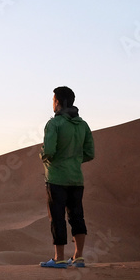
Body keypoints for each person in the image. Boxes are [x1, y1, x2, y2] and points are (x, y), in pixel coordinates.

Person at [39, 86, 94, 268]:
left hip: (56, 178)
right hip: (76, 179)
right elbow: (90, 153)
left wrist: (44, 157)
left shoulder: (54, 124)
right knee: (77, 216)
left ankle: (59, 258)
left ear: (59, 102)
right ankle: (78, 257)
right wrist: (75, 160)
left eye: (53, 100)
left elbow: (49, 150)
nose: (52, 104)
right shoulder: (83, 125)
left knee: (57, 217)